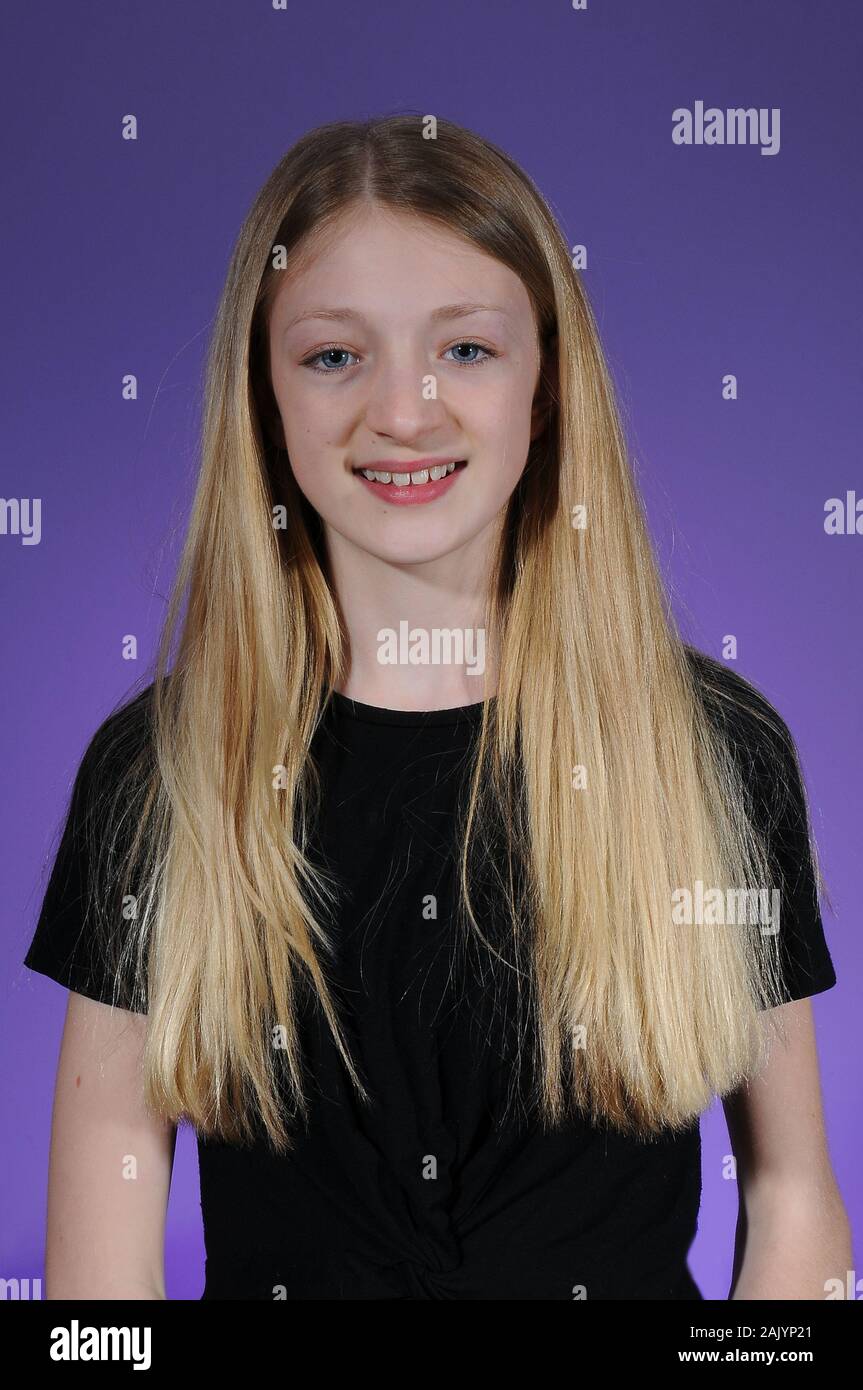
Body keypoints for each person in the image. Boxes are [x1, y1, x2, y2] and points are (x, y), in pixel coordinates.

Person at [24, 115, 849, 1301]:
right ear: (263, 393)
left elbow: (789, 1201)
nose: (402, 413)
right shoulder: (159, 771)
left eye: (464, 350)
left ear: (547, 384)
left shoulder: (711, 749)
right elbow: (98, 1275)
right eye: (332, 356)